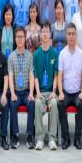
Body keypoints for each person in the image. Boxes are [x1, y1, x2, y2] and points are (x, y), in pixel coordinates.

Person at [57, 23, 82, 150]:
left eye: (73, 34)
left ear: (76, 35)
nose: (71, 36)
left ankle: (78, 138)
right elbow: (59, 76)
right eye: (69, 34)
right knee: (60, 104)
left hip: (77, 92)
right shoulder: (62, 54)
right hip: (66, 92)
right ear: (66, 36)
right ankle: (66, 137)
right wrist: (60, 92)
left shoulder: (81, 54)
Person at [8, 27, 35, 149]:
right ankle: (15, 135)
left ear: (25, 39)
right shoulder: (11, 57)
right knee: (13, 104)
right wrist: (12, 93)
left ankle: (29, 135)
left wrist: (31, 93)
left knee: (32, 104)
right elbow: (10, 76)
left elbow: (31, 75)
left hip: (26, 91)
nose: (20, 39)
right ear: (15, 39)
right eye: (18, 37)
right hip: (16, 92)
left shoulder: (29, 56)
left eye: (22, 37)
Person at [32, 23, 59, 151]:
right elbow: (36, 76)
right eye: (43, 31)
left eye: (47, 31)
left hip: (51, 91)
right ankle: (40, 138)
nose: (45, 34)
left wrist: (54, 91)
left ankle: (52, 138)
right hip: (41, 91)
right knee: (37, 104)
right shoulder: (36, 54)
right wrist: (37, 92)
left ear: (50, 34)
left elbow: (56, 75)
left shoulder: (54, 53)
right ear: (40, 34)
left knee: (54, 103)